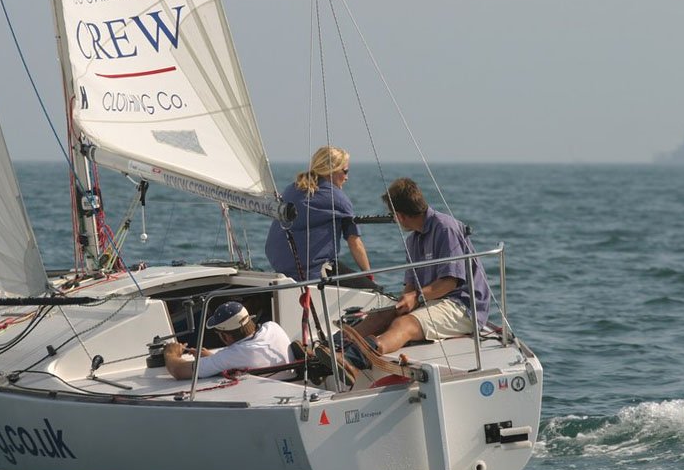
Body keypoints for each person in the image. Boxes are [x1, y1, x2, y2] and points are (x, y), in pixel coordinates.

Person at [318, 177, 490, 371]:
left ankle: (352, 358)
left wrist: (415, 297)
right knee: (380, 316)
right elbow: (411, 285)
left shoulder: (445, 228)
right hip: (432, 300)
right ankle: (329, 348)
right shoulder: (413, 241)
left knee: (404, 323)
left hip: (463, 306)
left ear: (399, 216)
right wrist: (405, 301)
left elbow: (449, 283)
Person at [264, 145, 377, 289]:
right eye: (345, 171)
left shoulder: (291, 189)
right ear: (331, 171)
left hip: (281, 267)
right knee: (375, 291)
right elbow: (354, 243)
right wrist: (369, 277)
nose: (347, 177)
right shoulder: (337, 198)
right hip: (312, 272)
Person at [163, 301, 296, 380]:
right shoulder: (273, 327)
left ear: (226, 337)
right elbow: (241, 358)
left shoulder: (232, 355)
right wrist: (211, 358)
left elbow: (178, 370)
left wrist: (171, 353)